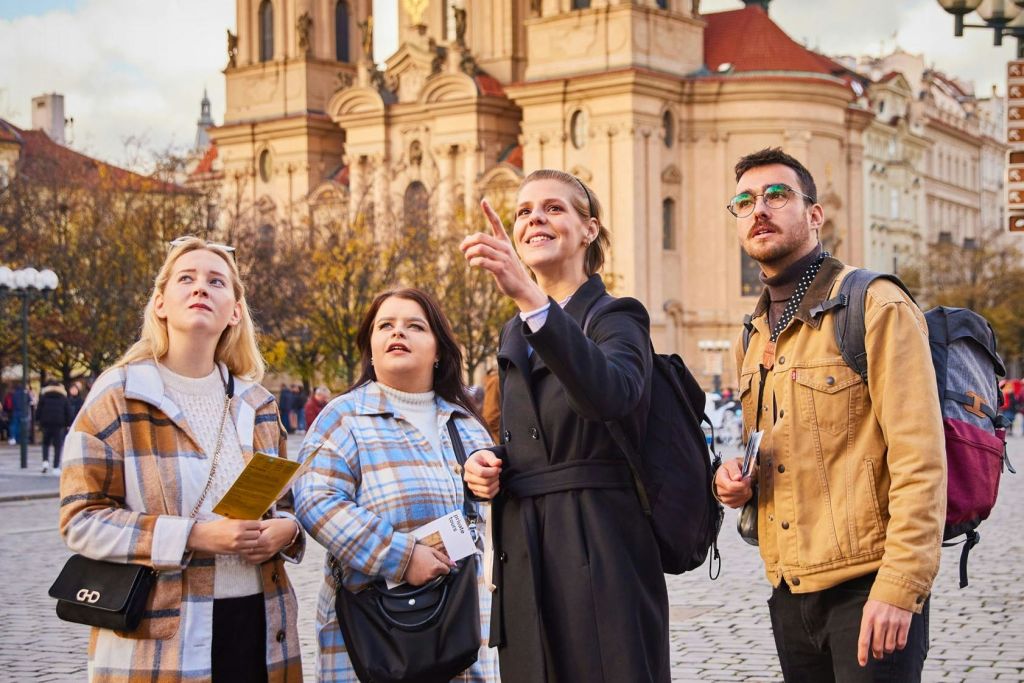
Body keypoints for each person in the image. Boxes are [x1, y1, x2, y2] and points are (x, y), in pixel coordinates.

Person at [714, 147, 946, 682]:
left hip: (868, 586)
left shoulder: (874, 305)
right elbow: (779, 447)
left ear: (815, 214)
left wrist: (900, 587)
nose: (759, 210)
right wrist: (736, 479)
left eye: (777, 195)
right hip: (789, 589)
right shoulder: (753, 335)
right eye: (744, 202)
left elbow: (921, 459)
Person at [58, 236, 304, 682]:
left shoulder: (258, 404)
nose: (201, 287)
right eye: (186, 279)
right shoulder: (120, 395)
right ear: (160, 304)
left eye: (216, 281)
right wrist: (195, 536)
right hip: (162, 638)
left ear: (234, 312)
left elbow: (285, 507)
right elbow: (81, 519)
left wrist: (286, 531)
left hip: (260, 625)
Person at [459, 169, 670, 682]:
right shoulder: (514, 330)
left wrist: (532, 301)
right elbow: (533, 439)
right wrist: (488, 465)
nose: (535, 219)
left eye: (553, 208)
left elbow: (611, 396)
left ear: (589, 229)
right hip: (525, 549)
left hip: (600, 541)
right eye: (524, 211)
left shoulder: (617, 316)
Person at [293, 287, 498, 682]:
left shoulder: (465, 424)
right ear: (370, 348)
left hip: (463, 630)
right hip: (377, 635)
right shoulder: (343, 417)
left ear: (438, 350)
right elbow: (317, 501)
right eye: (385, 325)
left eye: (415, 326)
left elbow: (495, 523)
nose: (398, 332)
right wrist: (401, 556)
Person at [36, 380, 73, 474]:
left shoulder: (44, 397)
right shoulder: (63, 398)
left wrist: (39, 421)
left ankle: (45, 462)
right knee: (58, 446)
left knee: (45, 443)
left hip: (46, 424)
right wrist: (69, 424)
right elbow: (68, 412)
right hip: (59, 425)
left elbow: (38, 411)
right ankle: (55, 467)